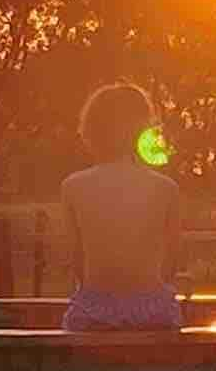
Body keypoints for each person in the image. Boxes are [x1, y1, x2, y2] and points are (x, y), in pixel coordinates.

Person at [60, 83, 182, 330]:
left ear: (91, 130)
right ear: (142, 131)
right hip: (153, 310)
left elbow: (77, 262)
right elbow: (172, 261)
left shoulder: (73, 186)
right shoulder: (166, 188)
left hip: (93, 309)